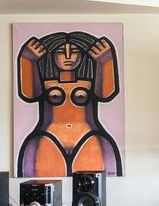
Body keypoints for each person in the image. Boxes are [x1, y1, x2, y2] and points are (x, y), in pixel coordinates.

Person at [16, 31, 122, 177]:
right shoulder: (46, 82)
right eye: (61, 52)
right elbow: (28, 94)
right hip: (49, 135)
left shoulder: (89, 81)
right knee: (43, 183)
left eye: (74, 52)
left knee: (94, 184)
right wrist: (27, 59)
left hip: (88, 135)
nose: (67, 56)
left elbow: (106, 94)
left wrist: (106, 60)